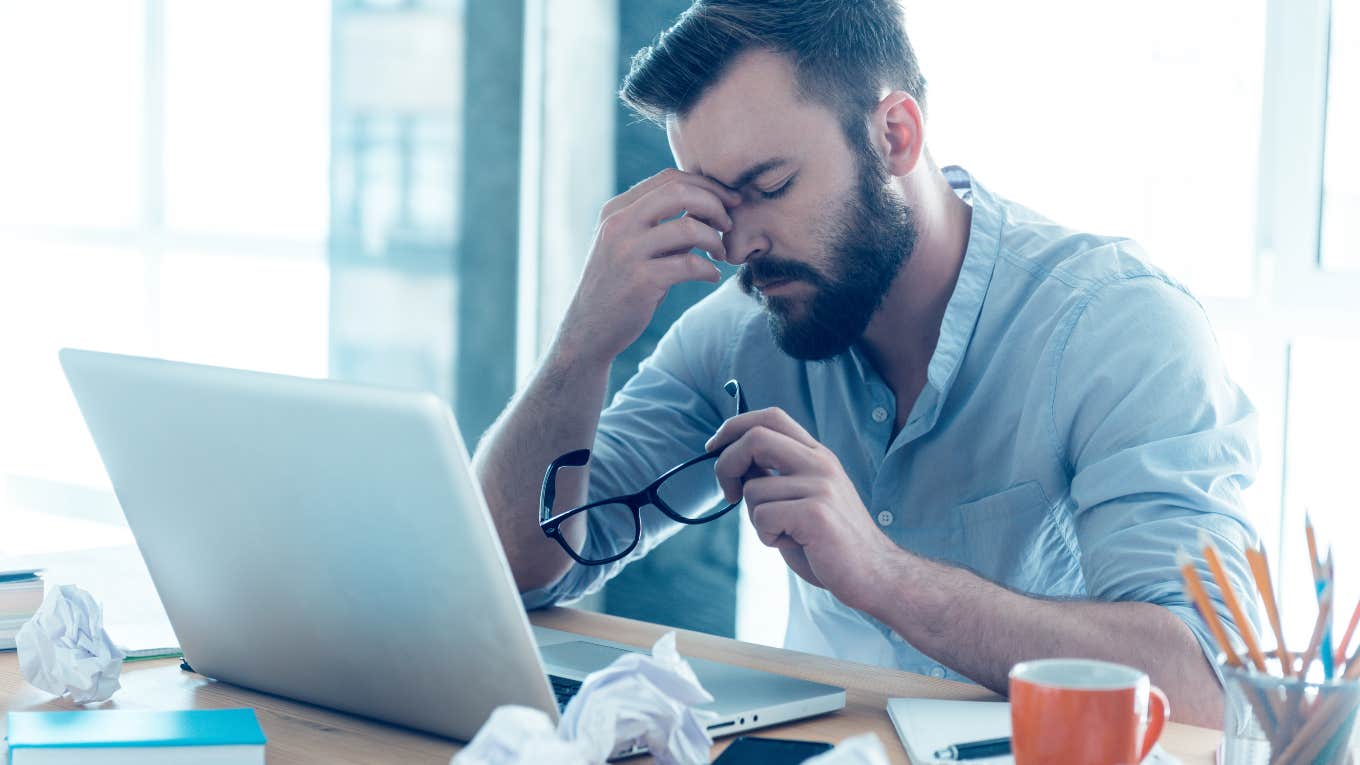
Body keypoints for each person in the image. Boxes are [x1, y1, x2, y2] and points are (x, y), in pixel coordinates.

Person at [472, 0, 1258, 726]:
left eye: (770, 185)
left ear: (895, 135)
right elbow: (522, 566)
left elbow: (1205, 689)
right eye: (716, 204)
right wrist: (582, 343)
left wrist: (884, 574)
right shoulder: (740, 334)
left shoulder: (1118, 328)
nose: (739, 245)